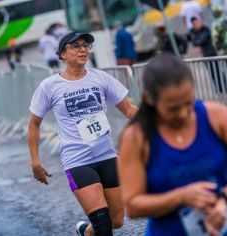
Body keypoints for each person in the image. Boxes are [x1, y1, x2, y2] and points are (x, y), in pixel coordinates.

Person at [118, 54, 227, 235]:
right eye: (173, 108)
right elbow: (133, 205)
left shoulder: (216, 115)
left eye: (188, 103)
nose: (183, 113)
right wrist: (181, 197)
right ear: (149, 99)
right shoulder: (136, 137)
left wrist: (225, 198)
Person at [28, 31, 138, 236]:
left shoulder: (101, 78)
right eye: (76, 46)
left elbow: (130, 110)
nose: (83, 49)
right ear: (62, 54)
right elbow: (34, 124)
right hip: (77, 161)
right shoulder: (50, 86)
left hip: (107, 157)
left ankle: (86, 232)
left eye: (85, 45)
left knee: (116, 221)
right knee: (103, 224)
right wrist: (35, 161)